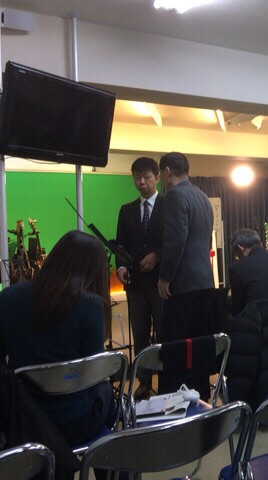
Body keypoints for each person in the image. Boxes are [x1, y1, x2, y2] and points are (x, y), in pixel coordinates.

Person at [0, 230, 115, 448]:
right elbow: (94, 372)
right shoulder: (91, 305)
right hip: (75, 420)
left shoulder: (7, 297)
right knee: (106, 390)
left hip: (22, 420)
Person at [157, 151, 215, 398]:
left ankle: (173, 401)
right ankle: (200, 397)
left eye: (160, 174)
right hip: (204, 281)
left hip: (182, 284)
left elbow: (176, 240)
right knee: (198, 346)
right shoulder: (202, 197)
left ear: (167, 171)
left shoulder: (174, 195)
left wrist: (165, 276)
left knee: (176, 348)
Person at [115, 156, 164, 400]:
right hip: (134, 284)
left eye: (146, 177)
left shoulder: (168, 206)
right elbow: (120, 246)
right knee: (140, 336)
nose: (142, 182)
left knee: (164, 333)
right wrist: (121, 268)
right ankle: (143, 381)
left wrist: (157, 255)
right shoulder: (126, 210)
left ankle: (165, 380)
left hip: (162, 283)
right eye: (137, 177)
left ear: (157, 177)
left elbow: (176, 240)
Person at [228, 228, 268, 316]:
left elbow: (238, 309)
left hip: (258, 321)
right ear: (260, 243)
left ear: (240, 248)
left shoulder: (238, 267)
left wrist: (229, 299)